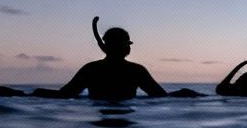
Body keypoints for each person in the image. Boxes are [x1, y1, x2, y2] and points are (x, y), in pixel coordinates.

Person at [54, 25, 184, 99]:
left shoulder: (91, 69)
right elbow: (160, 96)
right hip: (125, 125)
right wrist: (183, 94)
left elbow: (64, 95)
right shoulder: (136, 70)